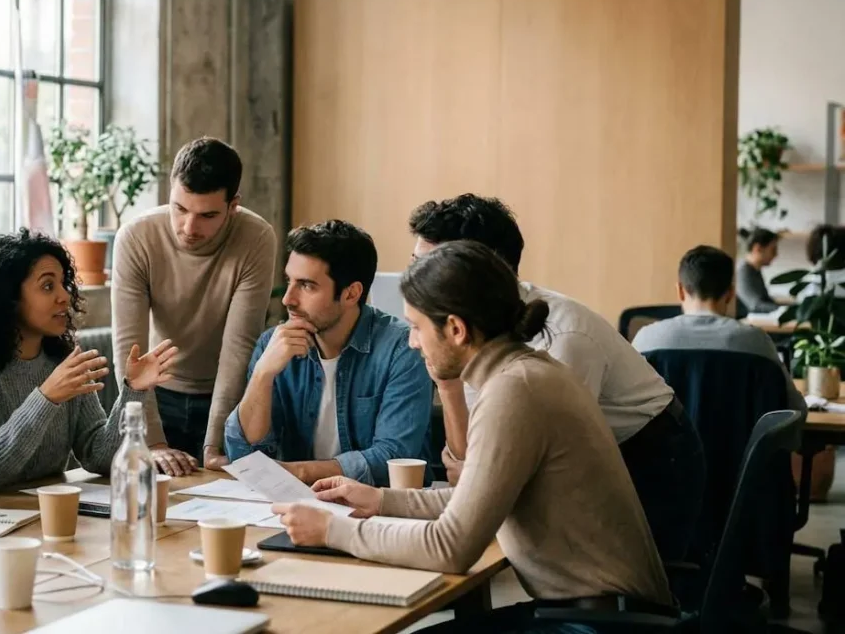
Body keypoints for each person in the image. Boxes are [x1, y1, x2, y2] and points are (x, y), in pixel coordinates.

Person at [273, 241, 673, 634]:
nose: (412, 342)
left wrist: (331, 530)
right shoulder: (524, 373)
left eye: (416, 327)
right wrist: (380, 499)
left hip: (598, 623)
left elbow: (451, 547)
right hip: (595, 612)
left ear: (456, 329)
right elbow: (481, 496)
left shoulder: (515, 392)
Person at [408, 194, 703, 562]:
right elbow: (467, 474)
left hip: (649, 457)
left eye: (432, 267)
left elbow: (508, 478)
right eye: (415, 264)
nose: (416, 282)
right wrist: (447, 384)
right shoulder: (465, 332)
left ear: (485, 270)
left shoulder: (561, 340)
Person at [0, 230, 179, 498]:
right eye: (48, 286)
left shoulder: (61, 359)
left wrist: (132, 390)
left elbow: (98, 456)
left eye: (63, 284)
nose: (65, 296)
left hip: (34, 513)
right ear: (8, 298)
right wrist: (47, 397)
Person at [112, 137, 277, 473]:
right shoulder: (136, 238)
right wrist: (153, 442)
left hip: (227, 397)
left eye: (207, 215)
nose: (189, 227)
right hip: (156, 396)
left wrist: (215, 444)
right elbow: (129, 351)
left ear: (233, 206)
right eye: (180, 208)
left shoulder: (256, 238)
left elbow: (239, 347)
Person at [224, 220, 433, 485]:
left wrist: (297, 472)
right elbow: (244, 456)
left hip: (379, 513)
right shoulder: (274, 344)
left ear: (351, 294)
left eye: (307, 285)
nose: (288, 299)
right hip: (294, 506)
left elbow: (393, 458)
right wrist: (262, 375)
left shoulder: (402, 349)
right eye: (289, 281)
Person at [633, 245, 806, 412]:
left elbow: (624, 409)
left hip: (665, 443)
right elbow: (794, 410)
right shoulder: (756, 342)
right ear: (730, 294)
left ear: (680, 291)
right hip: (742, 443)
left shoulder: (647, 340)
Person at [736, 228, 781, 313]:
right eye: (773, 249)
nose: (776, 254)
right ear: (758, 248)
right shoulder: (744, 272)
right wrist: (785, 311)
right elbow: (755, 306)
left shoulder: (754, 270)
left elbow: (766, 300)